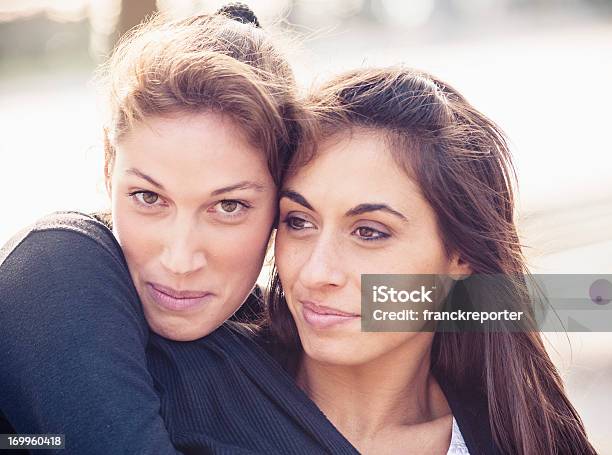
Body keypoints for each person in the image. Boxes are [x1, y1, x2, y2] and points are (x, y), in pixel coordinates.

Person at [0, 5, 357, 454]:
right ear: (109, 174)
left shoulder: (284, 317)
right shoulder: (57, 266)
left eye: (228, 206)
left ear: (281, 206)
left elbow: (459, 300)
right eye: (149, 198)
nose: (180, 259)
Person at [266, 67, 598, 454]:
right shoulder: (193, 401)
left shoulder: (528, 441)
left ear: (460, 257)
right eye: (299, 221)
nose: (316, 272)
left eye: (369, 232)